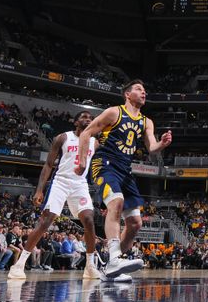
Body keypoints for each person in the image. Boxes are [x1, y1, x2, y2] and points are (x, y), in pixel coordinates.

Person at [75, 79, 172, 279]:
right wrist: (82, 161)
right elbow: (86, 134)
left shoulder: (147, 121)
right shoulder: (114, 112)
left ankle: (113, 265)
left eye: (145, 90)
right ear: (127, 94)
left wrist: (162, 144)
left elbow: (151, 148)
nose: (143, 92)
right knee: (116, 202)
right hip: (105, 164)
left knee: (136, 223)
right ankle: (114, 259)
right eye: (139, 89)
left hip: (125, 170)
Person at [9, 111, 100, 280]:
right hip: (61, 182)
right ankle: (19, 264)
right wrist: (39, 190)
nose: (88, 120)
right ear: (75, 121)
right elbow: (49, 164)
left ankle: (90, 266)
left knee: (88, 219)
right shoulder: (63, 138)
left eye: (90, 118)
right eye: (84, 117)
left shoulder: (95, 143)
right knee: (46, 221)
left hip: (80, 184)